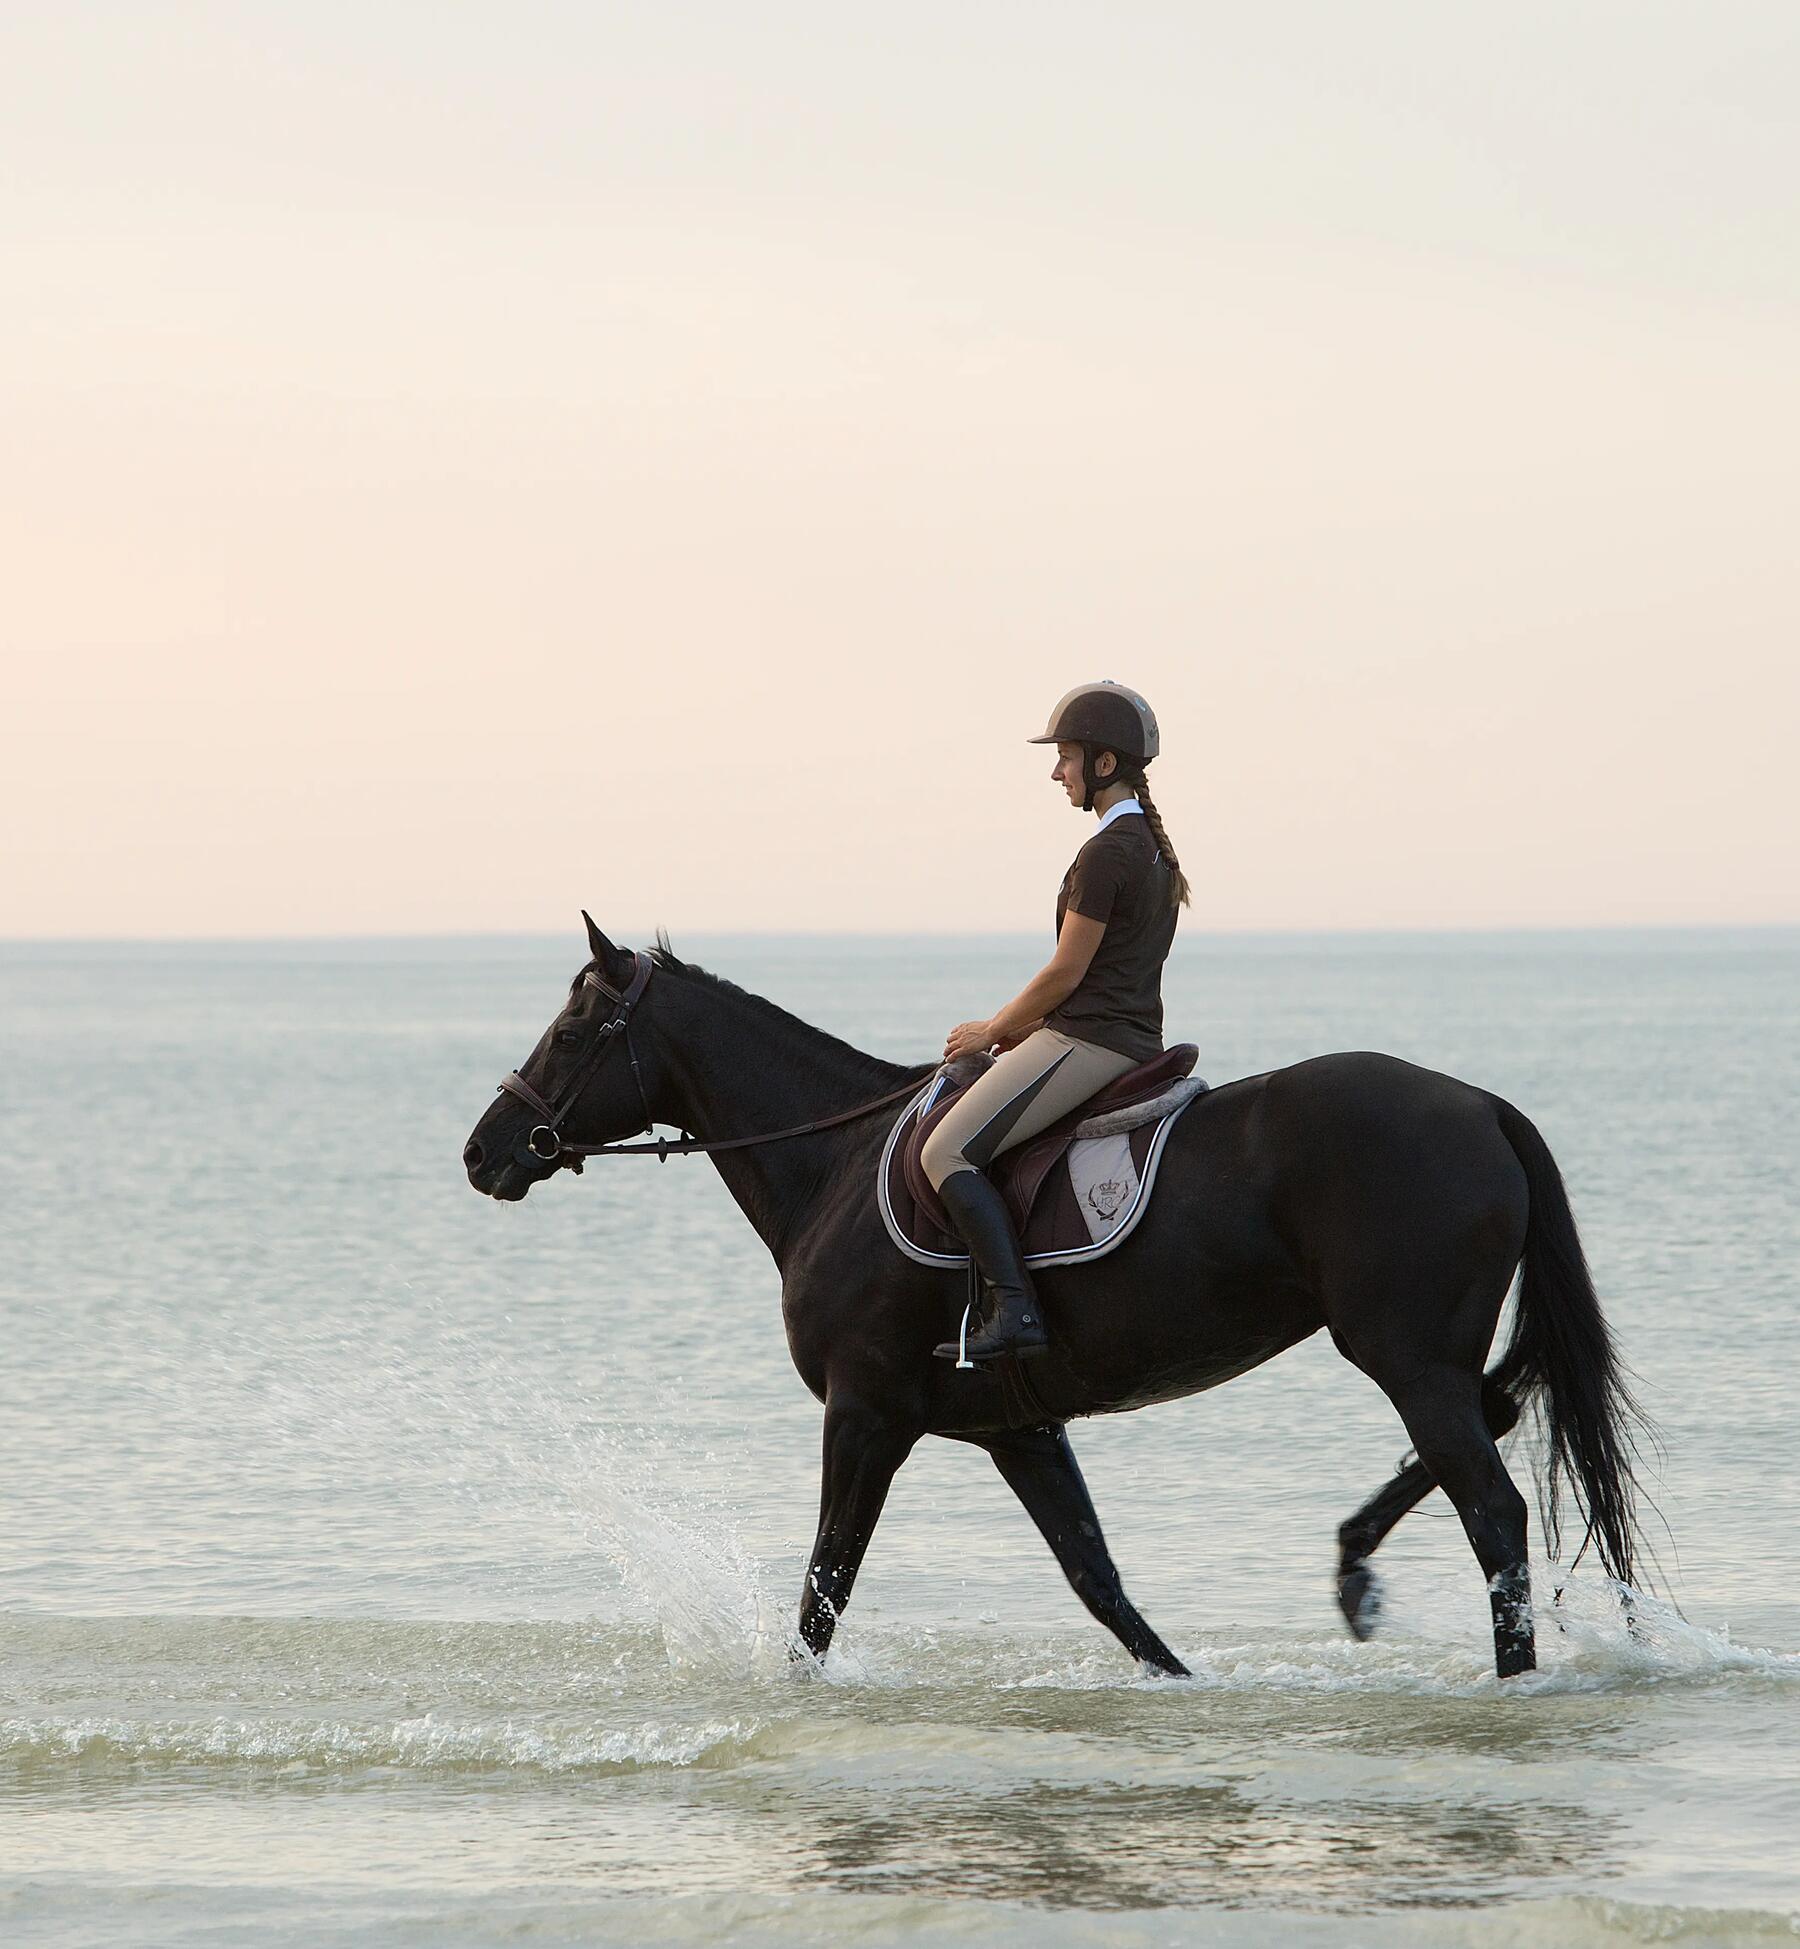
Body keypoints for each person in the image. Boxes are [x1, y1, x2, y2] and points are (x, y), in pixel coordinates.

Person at [926, 681, 1191, 1366]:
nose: (1056, 772)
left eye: (1067, 757)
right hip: (1123, 1036)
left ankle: (1015, 1308)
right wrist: (1025, 1028)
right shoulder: (1151, 850)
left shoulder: (1107, 853)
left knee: (943, 1151)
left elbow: (1065, 973)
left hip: (1091, 1042)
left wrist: (991, 1028)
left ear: (1104, 763)